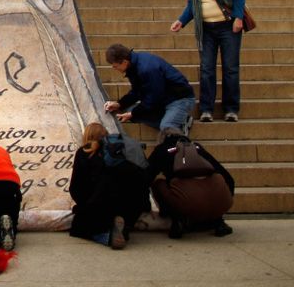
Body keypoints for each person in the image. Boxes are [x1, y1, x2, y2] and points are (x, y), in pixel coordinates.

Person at [171, 0, 246, 123]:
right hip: (206, 29)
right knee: (206, 69)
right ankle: (206, 109)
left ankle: (231, 109)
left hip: (228, 26)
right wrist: (181, 21)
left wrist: (238, 17)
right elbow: (192, 5)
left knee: (230, 68)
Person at [67, 122, 150, 250]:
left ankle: (108, 236)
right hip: (130, 205)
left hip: (103, 205)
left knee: (78, 228)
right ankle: (123, 228)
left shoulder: (84, 152)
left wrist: (84, 206)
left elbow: (75, 187)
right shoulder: (122, 151)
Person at [147, 128, 235, 239]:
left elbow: (146, 177)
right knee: (212, 182)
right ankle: (218, 221)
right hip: (222, 203)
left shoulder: (162, 150)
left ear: (162, 139)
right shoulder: (197, 148)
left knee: (158, 183)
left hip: (187, 202)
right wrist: (224, 201)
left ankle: (176, 220)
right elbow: (229, 179)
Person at [103, 42, 195, 137]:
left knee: (167, 127)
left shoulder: (147, 69)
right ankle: (177, 121)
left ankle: (180, 124)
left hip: (180, 99)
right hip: (163, 100)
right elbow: (136, 92)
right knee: (128, 110)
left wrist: (133, 113)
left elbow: (153, 98)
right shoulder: (133, 66)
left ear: (124, 62)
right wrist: (119, 104)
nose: (113, 68)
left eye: (115, 66)